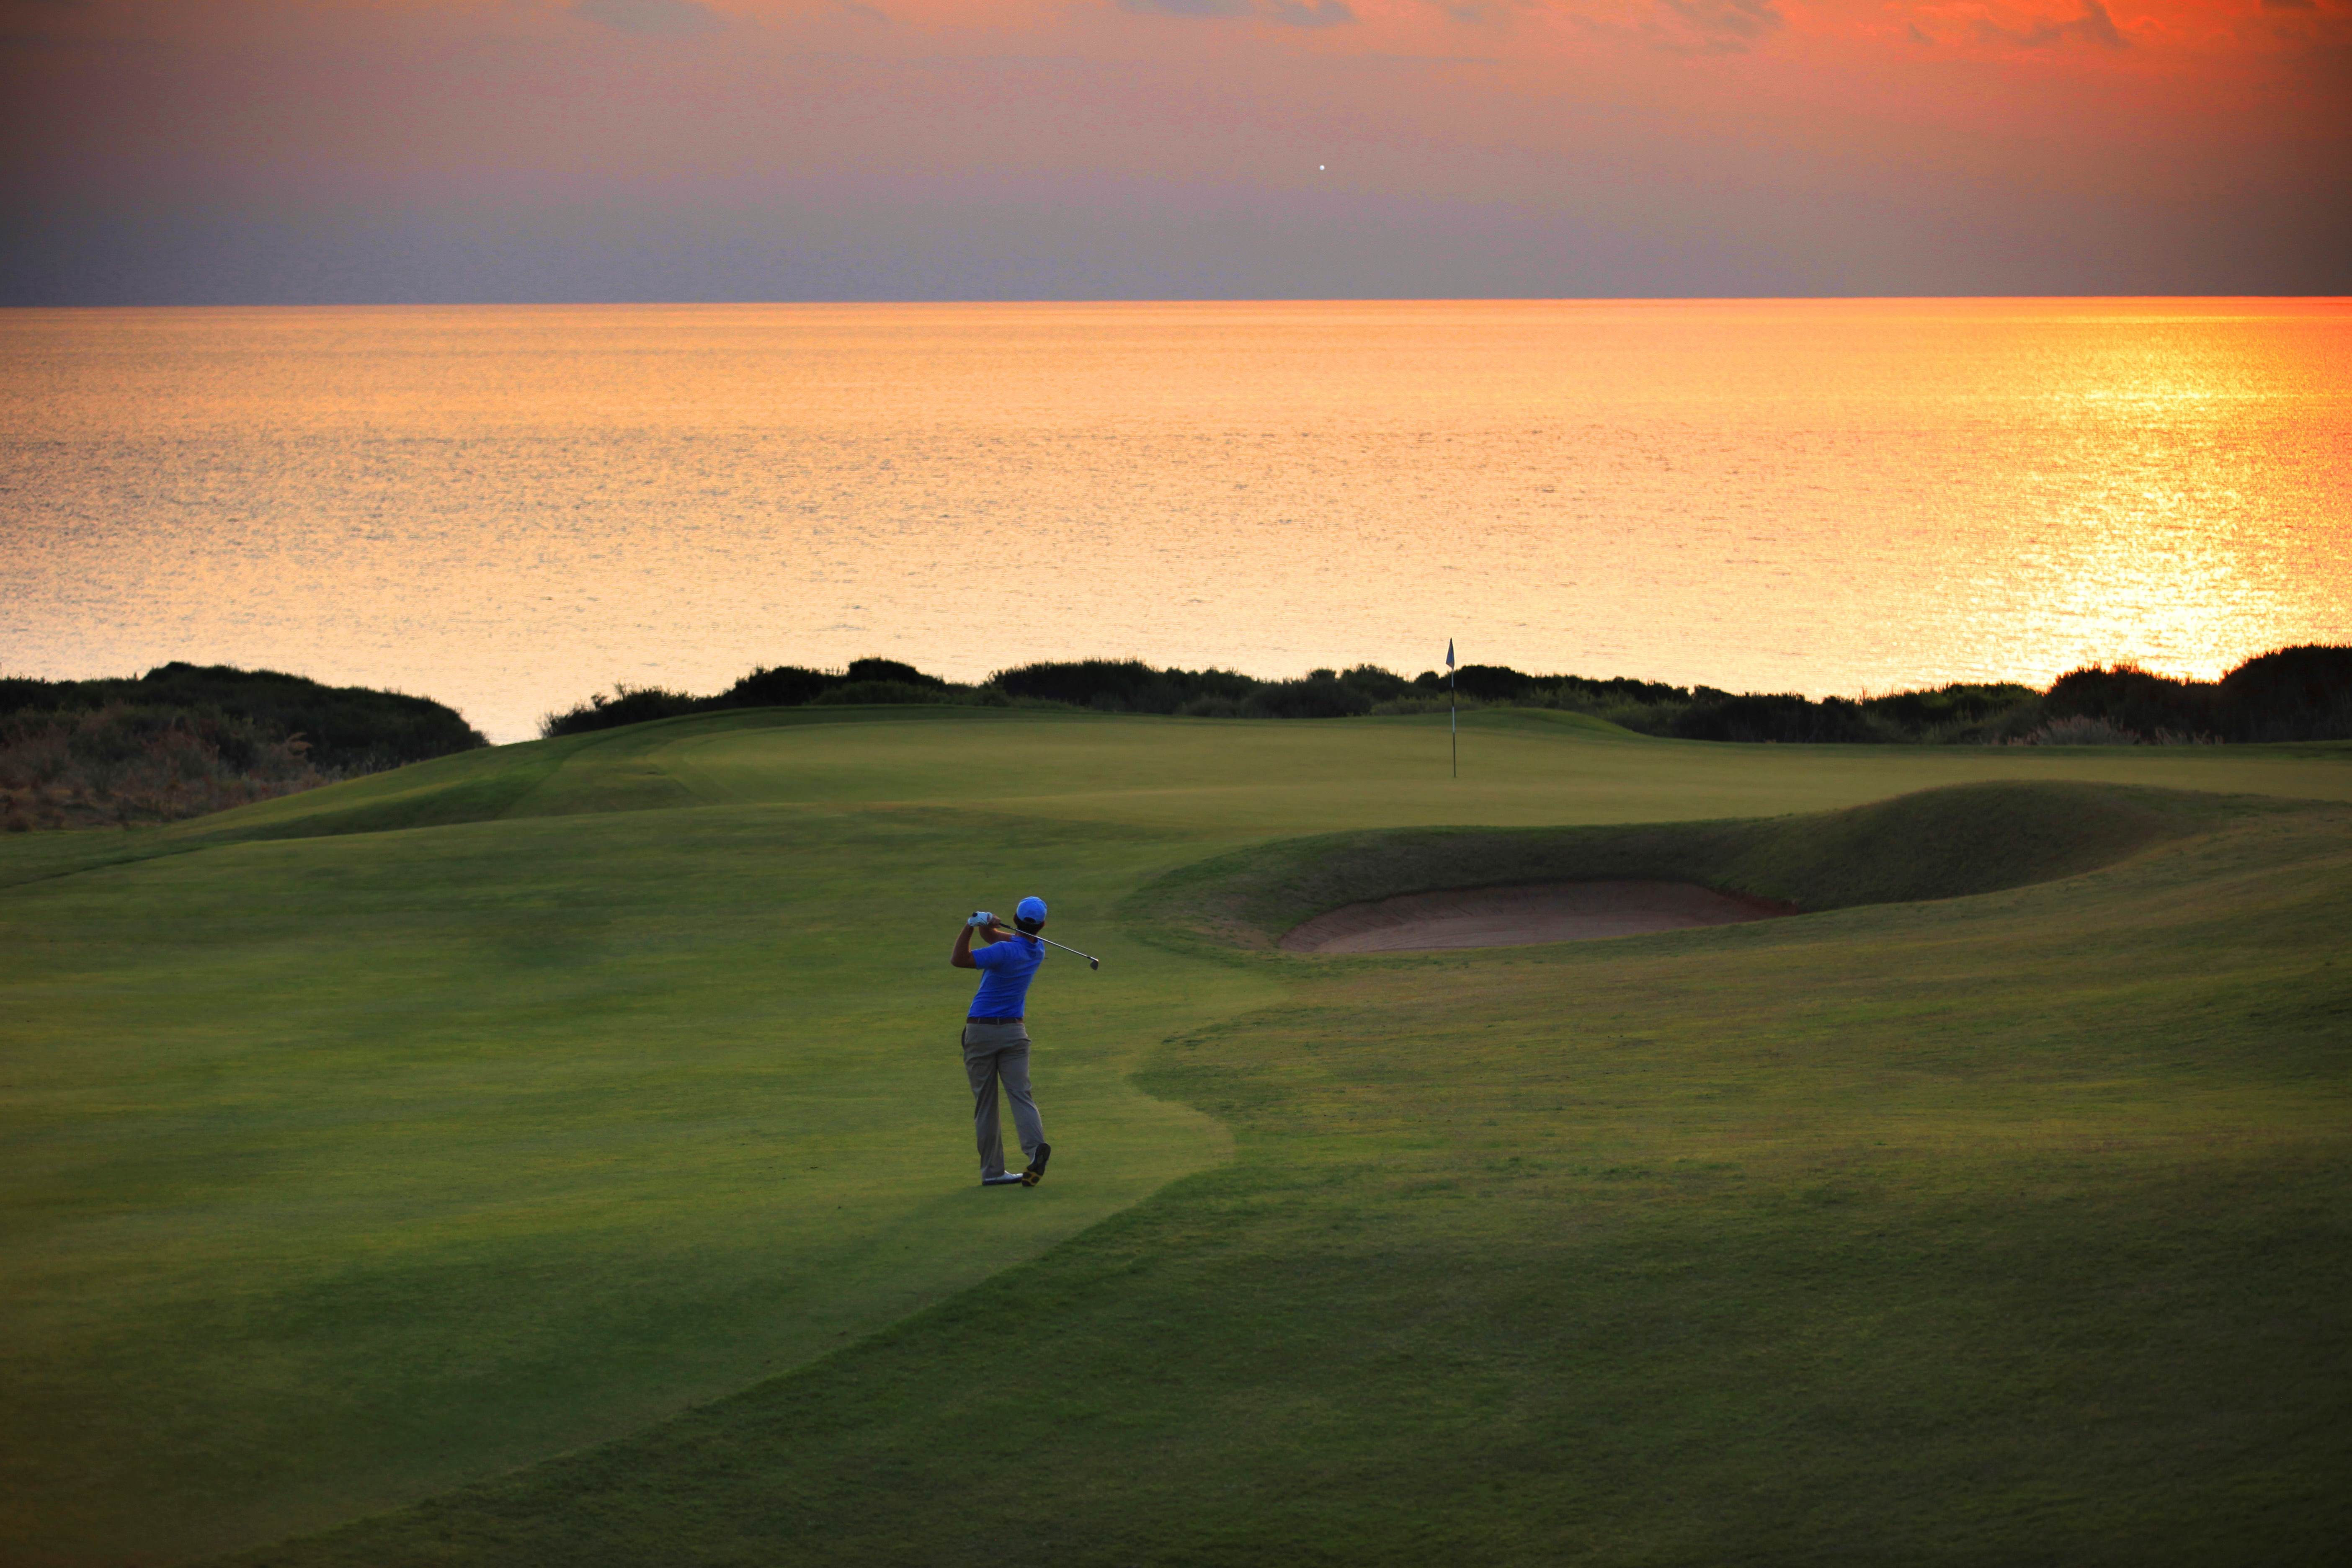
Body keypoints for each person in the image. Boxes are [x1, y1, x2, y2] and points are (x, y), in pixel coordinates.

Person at [950, 896, 1054, 1188]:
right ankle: (1035, 1151)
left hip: (981, 1032)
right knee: (1021, 1095)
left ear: (1016, 918)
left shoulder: (1003, 952)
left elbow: (959, 960)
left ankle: (993, 1171)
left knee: (987, 1105)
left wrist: (970, 926)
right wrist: (989, 926)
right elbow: (1005, 939)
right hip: (1015, 1035)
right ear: (1042, 926)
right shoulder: (1038, 949)